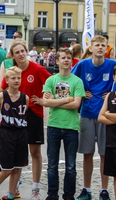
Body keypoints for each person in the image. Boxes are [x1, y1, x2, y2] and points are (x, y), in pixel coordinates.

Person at [0, 39, 51, 200]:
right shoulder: (11, 70)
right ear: (12, 55)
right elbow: (2, 87)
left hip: (34, 113)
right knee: (16, 153)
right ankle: (14, 188)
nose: (21, 54)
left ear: (27, 52)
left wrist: (44, 97)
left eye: (23, 51)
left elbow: (51, 82)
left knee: (35, 152)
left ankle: (35, 189)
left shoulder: (37, 68)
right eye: (17, 52)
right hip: (15, 115)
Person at [71, 35, 116, 200]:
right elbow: (70, 80)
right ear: (90, 48)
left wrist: (112, 94)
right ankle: (87, 189)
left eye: (103, 45)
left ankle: (104, 190)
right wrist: (81, 93)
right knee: (87, 153)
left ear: (106, 48)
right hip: (87, 113)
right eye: (97, 45)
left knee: (105, 153)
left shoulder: (113, 65)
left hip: (106, 114)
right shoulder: (83, 65)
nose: (100, 48)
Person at [42, 48, 85, 200]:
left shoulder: (77, 81)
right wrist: (68, 99)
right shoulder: (51, 80)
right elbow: (46, 102)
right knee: (52, 165)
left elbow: (76, 105)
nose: (66, 60)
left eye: (69, 57)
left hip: (71, 127)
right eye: (63, 58)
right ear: (57, 61)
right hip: (54, 125)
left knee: (71, 166)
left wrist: (55, 101)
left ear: (71, 60)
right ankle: (52, 194)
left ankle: (69, 195)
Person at [0, 67, 29, 200]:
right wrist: (1, 132)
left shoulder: (25, 98)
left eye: (18, 78)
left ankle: (11, 194)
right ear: (7, 80)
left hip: (21, 134)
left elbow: (25, 116)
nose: (16, 80)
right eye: (13, 78)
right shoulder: (1, 97)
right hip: (6, 134)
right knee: (7, 169)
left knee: (17, 168)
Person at [98, 63, 116, 200]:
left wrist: (108, 114)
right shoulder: (110, 95)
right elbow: (100, 117)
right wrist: (115, 117)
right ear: (114, 77)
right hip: (111, 142)